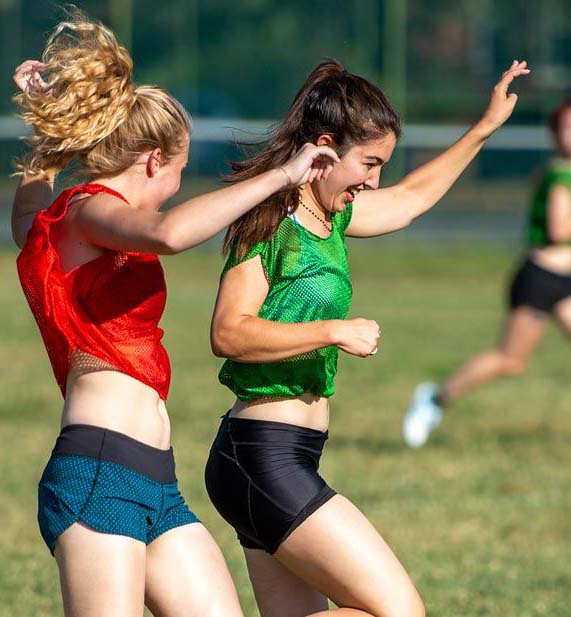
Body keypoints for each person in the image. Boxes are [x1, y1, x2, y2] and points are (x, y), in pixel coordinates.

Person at [12, 10, 339, 616]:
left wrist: (46, 139)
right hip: (97, 475)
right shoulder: (87, 211)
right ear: (156, 160)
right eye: (181, 171)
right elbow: (169, 233)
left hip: (156, 482)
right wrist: (281, 176)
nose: (178, 185)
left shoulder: (58, 224)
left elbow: (25, 213)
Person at [205, 58, 529, 616]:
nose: (374, 180)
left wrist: (484, 128)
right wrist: (333, 330)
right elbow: (229, 333)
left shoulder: (331, 218)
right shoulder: (269, 219)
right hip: (260, 457)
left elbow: (410, 200)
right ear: (326, 148)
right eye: (369, 163)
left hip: (288, 456)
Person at [403, 98, 571, 466]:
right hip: (538, 279)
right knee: (509, 360)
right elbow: (559, 229)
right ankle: (434, 399)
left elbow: (567, 230)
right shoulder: (561, 177)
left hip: (565, 280)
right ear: (556, 135)